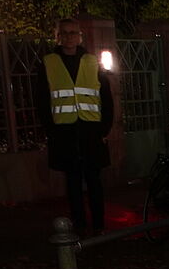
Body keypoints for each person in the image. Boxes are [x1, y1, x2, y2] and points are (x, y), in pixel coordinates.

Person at [36, 19, 114, 237]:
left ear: (80, 36)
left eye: (73, 33)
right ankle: (79, 224)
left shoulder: (92, 62)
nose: (69, 37)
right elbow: (42, 101)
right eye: (65, 33)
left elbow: (106, 98)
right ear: (58, 36)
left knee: (94, 180)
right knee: (72, 182)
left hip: (91, 131)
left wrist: (104, 130)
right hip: (64, 132)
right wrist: (51, 131)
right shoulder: (48, 63)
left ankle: (99, 225)